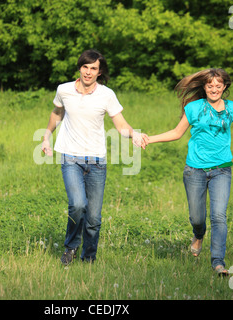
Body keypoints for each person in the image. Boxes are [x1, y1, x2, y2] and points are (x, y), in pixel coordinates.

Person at [143, 68, 233, 276]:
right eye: (210, 85)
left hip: (222, 170)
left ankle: (218, 263)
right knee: (197, 218)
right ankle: (198, 234)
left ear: (224, 87)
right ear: (204, 87)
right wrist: (150, 138)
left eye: (218, 86)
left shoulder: (232, 108)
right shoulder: (193, 108)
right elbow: (176, 133)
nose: (214, 89)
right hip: (195, 170)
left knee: (219, 216)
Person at [42, 49, 148, 265]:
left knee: (93, 219)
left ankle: (88, 259)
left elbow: (120, 125)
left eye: (93, 68)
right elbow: (57, 112)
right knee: (78, 205)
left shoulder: (106, 95)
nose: (88, 72)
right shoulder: (64, 90)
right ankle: (71, 248)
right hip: (71, 158)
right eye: (85, 67)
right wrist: (46, 137)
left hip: (97, 162)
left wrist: (134, 134)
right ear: (79, 67)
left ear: (99, 72)